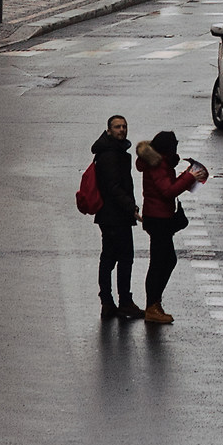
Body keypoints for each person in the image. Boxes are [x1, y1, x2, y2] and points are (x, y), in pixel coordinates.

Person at [136, 129, 206, 324]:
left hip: (159, 217)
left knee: (165, 261)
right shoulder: (157, 165)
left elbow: (168, 186)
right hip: (158, 219)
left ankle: (155, 303)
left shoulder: (161, 162)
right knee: (161, 262)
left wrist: (186, 175)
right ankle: (152, 306)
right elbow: (167, 191)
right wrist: (189, 177)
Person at [91, 113, 140, 320]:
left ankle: (108, 302)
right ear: (109, 130)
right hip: (115, 216)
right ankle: (123, 302)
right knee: (124, 258)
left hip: (109, 215)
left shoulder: (112, 150)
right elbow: (114, 187)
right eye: (117, 127)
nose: (122, 130)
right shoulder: (111, 154)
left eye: (124, 126)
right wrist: (132, 208)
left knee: (109, 257)